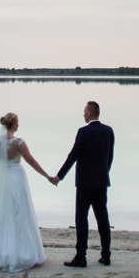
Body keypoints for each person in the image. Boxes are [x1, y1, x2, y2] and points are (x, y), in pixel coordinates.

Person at [0, 112, 56, 272]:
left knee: (1, 214)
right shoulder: (19, 142)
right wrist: (47, 176)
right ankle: (19, 251)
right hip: (16, 179)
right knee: (18, 212)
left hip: (1, 180)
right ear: (13, 124)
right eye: (18, 122)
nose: (19, 125)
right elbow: (31, 161)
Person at [51, 100, 114, 267]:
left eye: (84, 112)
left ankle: (81, 256)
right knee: (103, 219)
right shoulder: (109, 131)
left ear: (89, 114)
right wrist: (103, 174)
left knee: (81, 219)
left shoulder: (83, 132)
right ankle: (106, 255)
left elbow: (73, 156)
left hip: (85, 183)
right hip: (101, 182)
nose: (83, 115)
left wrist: (59, 176)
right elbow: (110, 158)